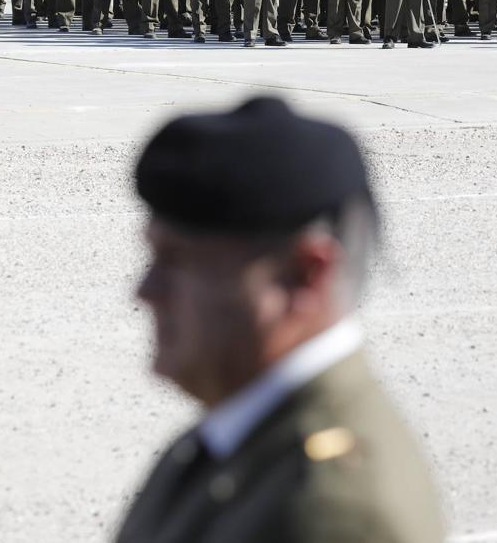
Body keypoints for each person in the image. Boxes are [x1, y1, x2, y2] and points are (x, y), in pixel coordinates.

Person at [115, 96, 445, 543]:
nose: (145, 291)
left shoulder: (332, 511)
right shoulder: (243, 431)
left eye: (178, 262)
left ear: (305, 276)